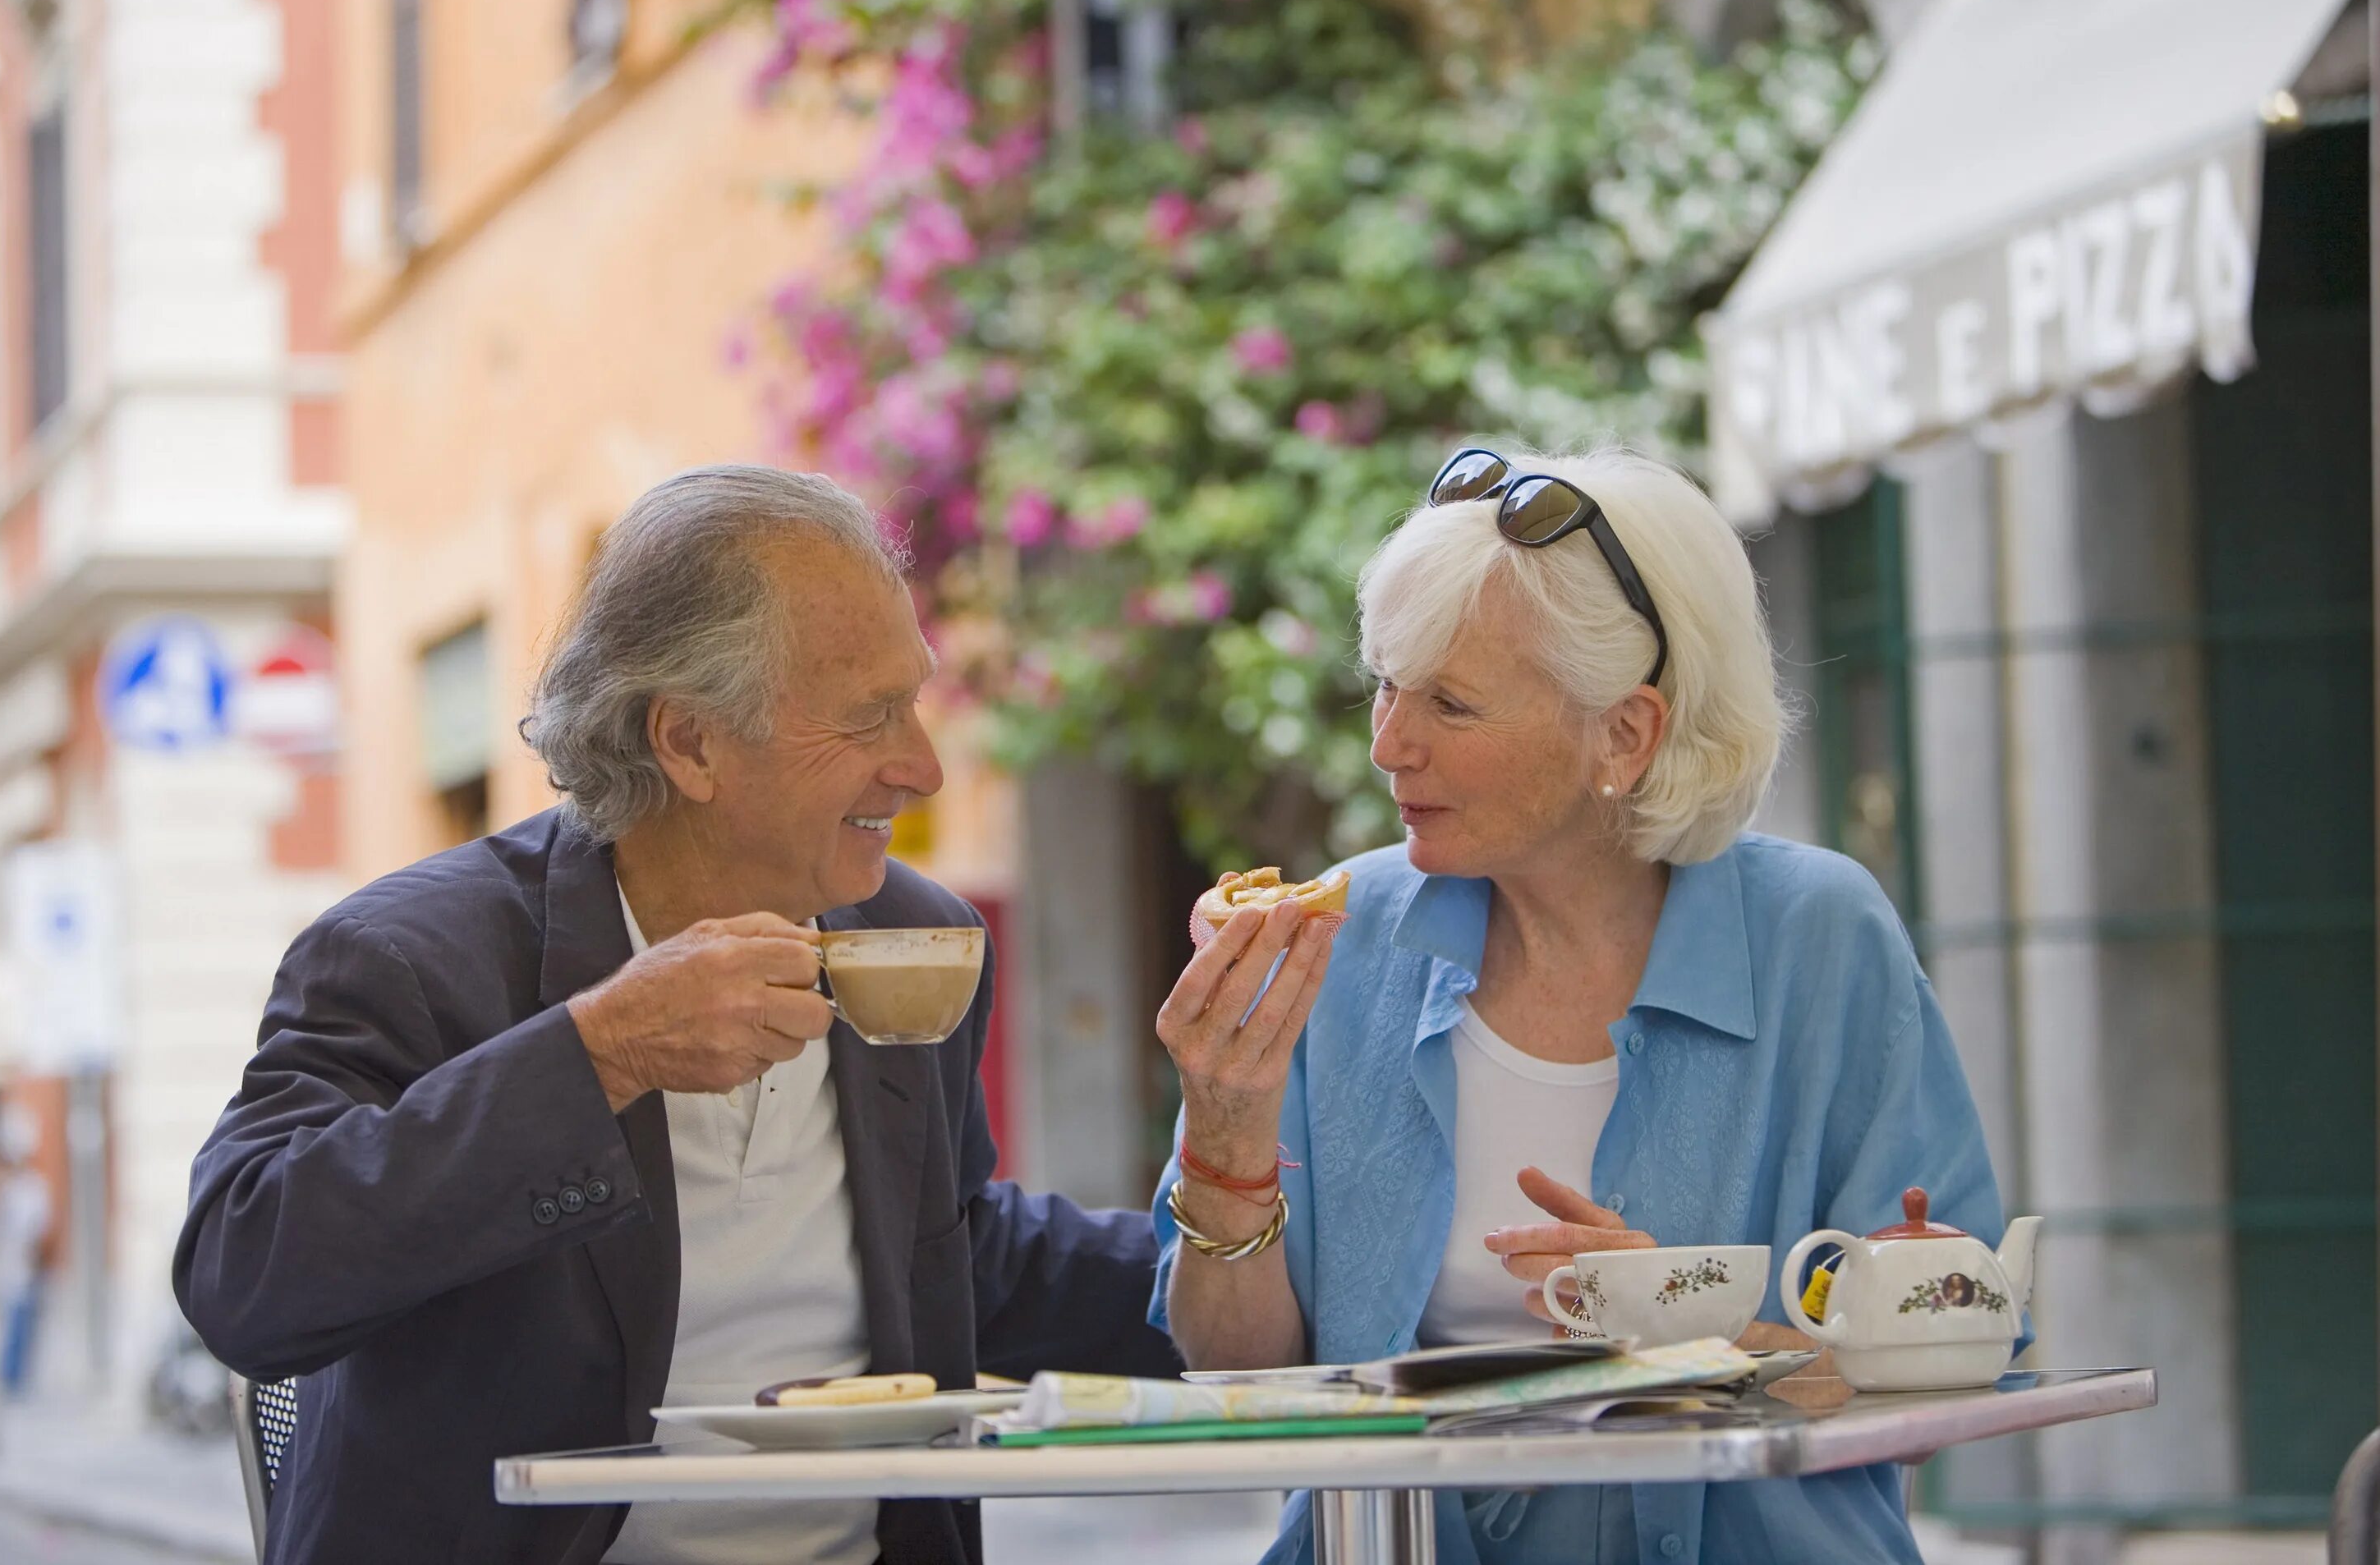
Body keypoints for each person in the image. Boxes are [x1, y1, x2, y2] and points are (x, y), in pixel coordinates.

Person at [176, 466, 1181, 1565]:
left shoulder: (908, 929)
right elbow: (245, 1271)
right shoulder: (412, 954)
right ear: (690, 742)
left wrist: (1299, 1263)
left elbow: (951, 1251)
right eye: (870, 715)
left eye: (915, 699)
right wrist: (599, 1051)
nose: (924, 767)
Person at [1151, 443, 2012, 1564]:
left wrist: (1683, 1323)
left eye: (1451, 704)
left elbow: (1949, 1344)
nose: (1387, 744)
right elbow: (1236, 1369)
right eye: (1387, 686)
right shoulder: (1341, 932)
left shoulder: (1819, 935)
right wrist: (1225, 1134)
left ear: (1626, 733)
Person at [0, 1104, 51, 1397]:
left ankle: (14, 1384)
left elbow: (35, 1233)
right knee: (9, 1331)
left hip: (22, 1270)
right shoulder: (8, 1188)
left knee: (18, 1331)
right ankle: (10, 1383)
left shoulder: (30, 1188)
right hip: (8, 1269)